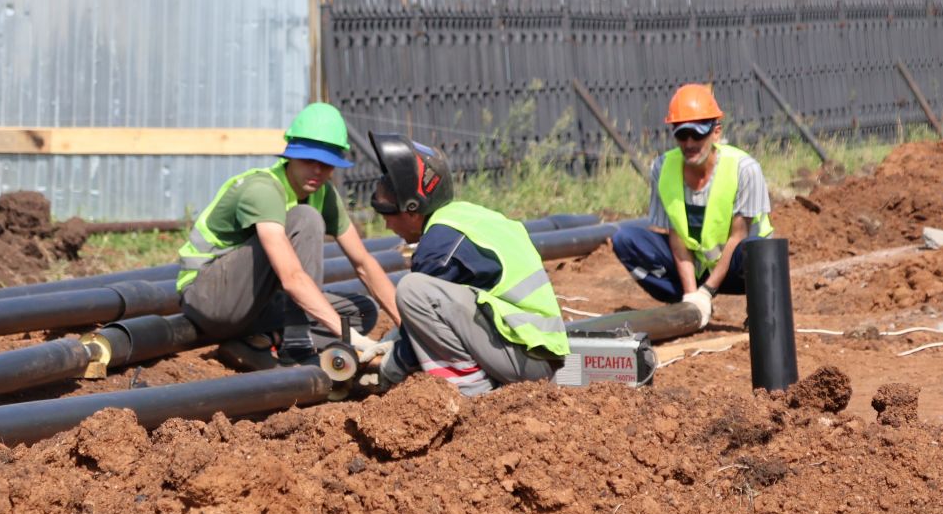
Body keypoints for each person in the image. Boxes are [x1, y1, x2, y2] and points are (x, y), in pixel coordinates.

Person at [177, 102, 401, 370]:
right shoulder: (263, 190)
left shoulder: (323, 193)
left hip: (256, 302)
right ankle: (295, 346)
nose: (318, 171)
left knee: (360, 310)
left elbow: (363, 263)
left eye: (327, 165)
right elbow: (292, 278)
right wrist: (352, 340)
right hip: (210, 297)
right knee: (305, 218)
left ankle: (258, 342)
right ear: (290, 156)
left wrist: (409, 327)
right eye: (309, 161)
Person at [369, 135, 570, 396]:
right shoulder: (462, 218)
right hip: (536, 350)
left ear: (412, 208)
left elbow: (422, 320)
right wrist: (395, 341)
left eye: (388, 215)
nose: (387, 225)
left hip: (528, 360)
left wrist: (388, 368)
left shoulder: (438, 246)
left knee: (412, 290)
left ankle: (472, 397)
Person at [610, 83, 775, 328]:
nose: (689, 143)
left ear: (716, 132)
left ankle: (759, 314)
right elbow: (676, 237)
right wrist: (692, 298)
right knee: (625, 240)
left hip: (741, 269)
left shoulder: (743, 168)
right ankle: (688, 309)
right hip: (696, 268)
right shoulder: (663, 168)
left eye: (697, 134)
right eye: (681, 134)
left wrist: (706, 292)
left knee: (757, 248)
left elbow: (738, 236)